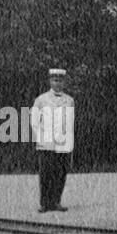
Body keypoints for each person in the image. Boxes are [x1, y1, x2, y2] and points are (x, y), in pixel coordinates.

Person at [30, 68, 75, 213]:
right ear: (50, 81)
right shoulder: (41, 99)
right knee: (46, 174)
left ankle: (56, 201)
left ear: (64, 82)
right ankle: (44, 203)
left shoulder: (69, 100)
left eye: (60, 80)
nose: (58, 83)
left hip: (62, 143)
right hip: (46, 143)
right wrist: (40, 136)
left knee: (60, 173)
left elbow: (70, 122)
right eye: (55, 80)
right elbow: (34, 121)